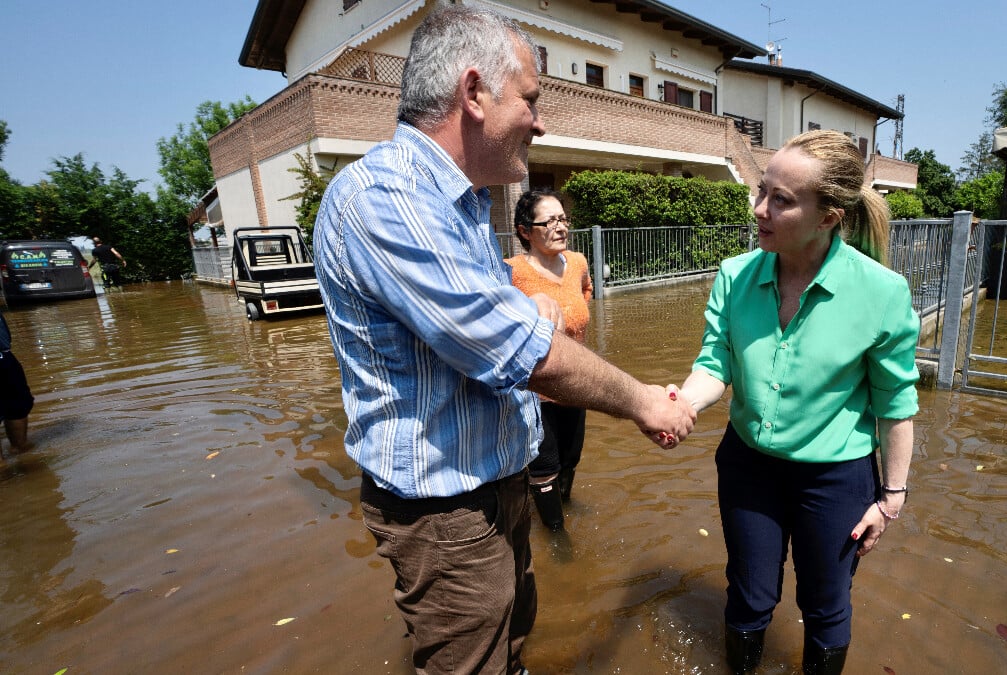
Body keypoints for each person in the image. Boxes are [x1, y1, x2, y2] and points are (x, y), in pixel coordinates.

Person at [310, 6, 695, 674]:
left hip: (496, 483)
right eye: (531, 98)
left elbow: (517, 332)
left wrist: (533, 333)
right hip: (445, 511)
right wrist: (645, 403)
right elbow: (525, 350)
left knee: (511, 641)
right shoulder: (385, 198)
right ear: (473, 93)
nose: (540, 120)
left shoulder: (458, 206)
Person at [676, 130, 920, 675]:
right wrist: (682, 404)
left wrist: (892, 498)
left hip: (835, 479)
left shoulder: (881, 293)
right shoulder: (735, 276)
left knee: (826, 606)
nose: (759, 209)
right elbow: (715, 364)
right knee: (748, 595)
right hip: (748, 468)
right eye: (761, 190)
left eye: (781, 200)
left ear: (829, 216)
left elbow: (894, 404)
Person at [505, 189, 593, 531]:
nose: (561, 227)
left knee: (571, 458)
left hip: (577, 383)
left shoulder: (578, 263)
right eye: (550, 221)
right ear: (526, 231)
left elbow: (584, 294)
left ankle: (564, 503)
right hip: (535, 391)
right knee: (544, 466)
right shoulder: (511, 273)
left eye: (563, 219)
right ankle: (557, 537)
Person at [0, 312, 35, 456]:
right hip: (4, 356)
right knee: (17, 406)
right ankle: (19, 452)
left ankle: (20, 452)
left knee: (17, 406)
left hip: (4, 356)